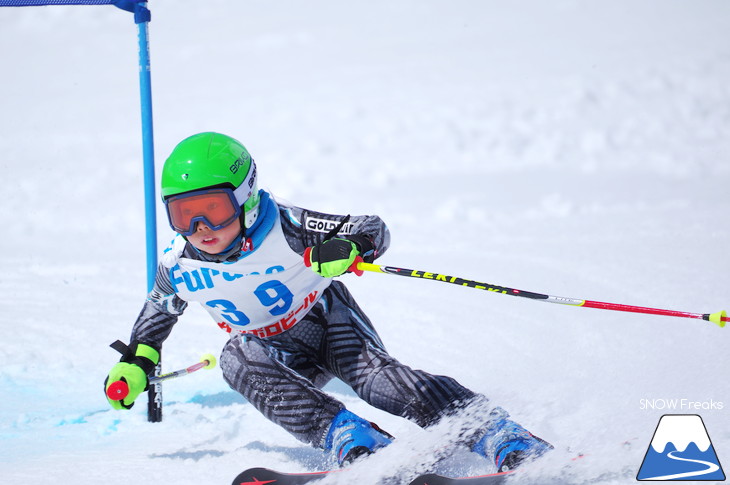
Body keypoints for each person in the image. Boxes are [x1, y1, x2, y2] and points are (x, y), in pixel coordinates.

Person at [104, 132, 552, 471]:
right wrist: (138, 361)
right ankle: (353, 440)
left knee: (379, 383)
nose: (201, 226)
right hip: (275, 355)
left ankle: (499, 434)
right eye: (183, 214)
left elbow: (373, 228)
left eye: (214, 209)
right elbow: (160, 310)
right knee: (235, 357)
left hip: (328, 323)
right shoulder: (180, 262)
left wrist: (348, 247)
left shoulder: (287, 224)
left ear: (245, 196)